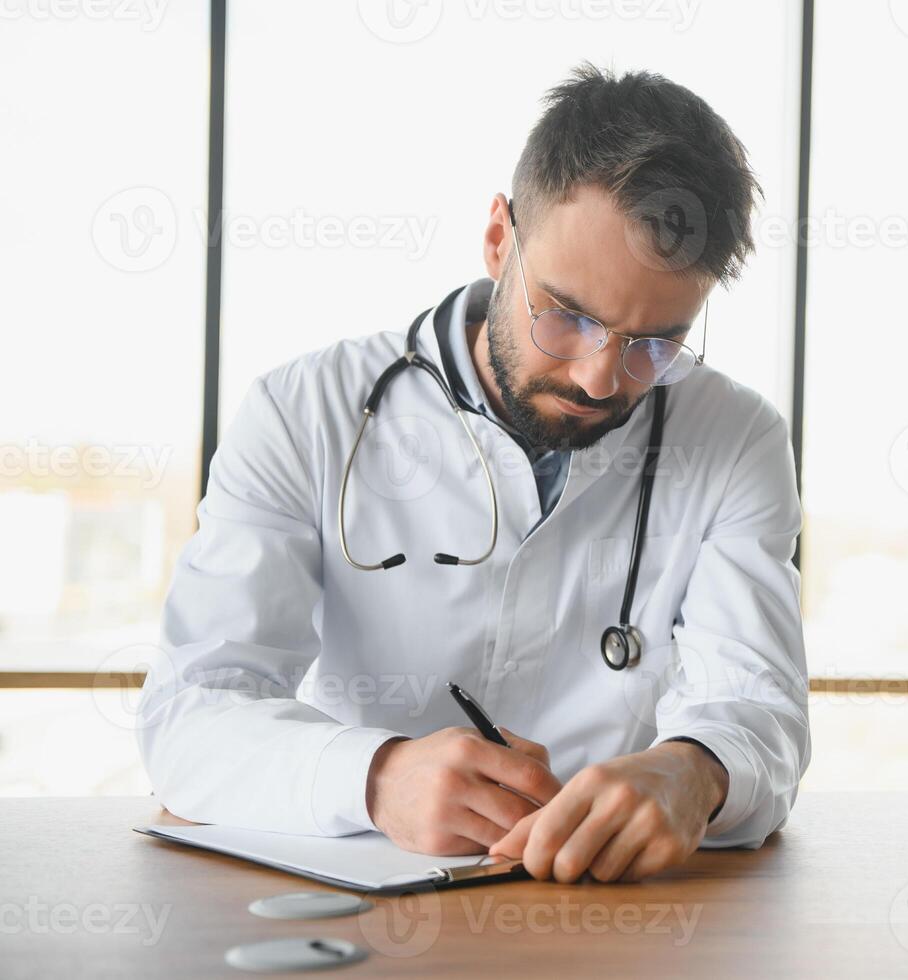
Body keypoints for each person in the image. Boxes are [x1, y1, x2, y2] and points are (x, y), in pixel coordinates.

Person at [136, 64, 809, 884]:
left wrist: (698, 770)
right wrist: (376, 777)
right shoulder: (301, 410)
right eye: (569, 316)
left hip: (612, 921)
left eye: (654, 344)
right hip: (363, 904)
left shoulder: (736, 438)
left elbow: (758, 706)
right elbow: (190, 716)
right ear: (499, 238)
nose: (601, 379)